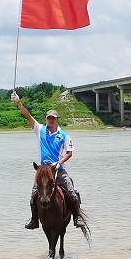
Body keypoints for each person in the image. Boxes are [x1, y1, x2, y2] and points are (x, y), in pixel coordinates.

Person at [11, 91, 85, 229]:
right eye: (48, 118)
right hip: (43, 170)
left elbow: (69, 153)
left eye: (53, 118)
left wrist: (59, 163)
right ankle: (34, 220)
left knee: (72, 193)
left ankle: (76, 219)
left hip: (57, 168)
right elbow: (27, 115)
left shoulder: (64, 135)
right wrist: (18, 102)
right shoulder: (40, 130)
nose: (50, 120)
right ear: (46, 119)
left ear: (57, 119)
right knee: (33, 195)